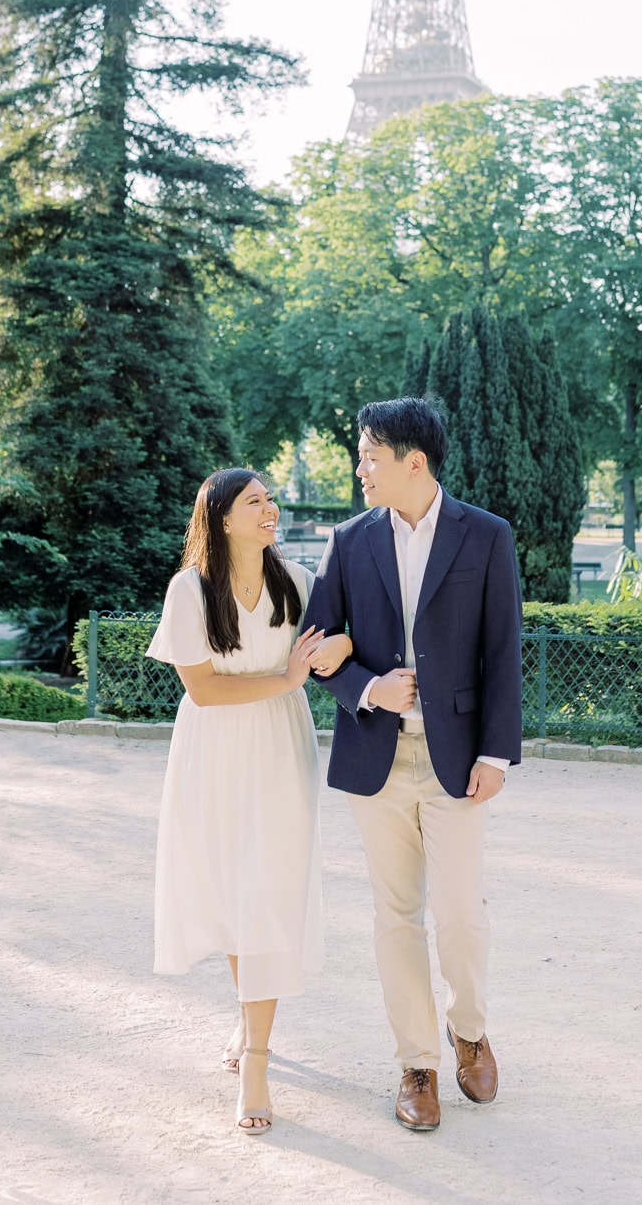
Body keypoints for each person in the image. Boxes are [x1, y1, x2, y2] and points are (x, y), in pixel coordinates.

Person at [306, 397, 523, 1132]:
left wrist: (497, 752)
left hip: (458, 759)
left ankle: (470, 1028)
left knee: (459, 912)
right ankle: (418, 1064)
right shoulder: (347, 539)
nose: (360, 467)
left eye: (370, 455)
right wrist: (367, 686)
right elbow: (316, 645)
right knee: (394, 915)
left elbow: (503, 651)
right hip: (376, 757)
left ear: (414, 462)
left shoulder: (486, 536)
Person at [146, 467, 352, 1134]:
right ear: (223, 517)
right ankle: (247, 1017)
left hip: (279, 750)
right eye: (255, 500)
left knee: (266, 892)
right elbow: (203, 690)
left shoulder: (296, 584)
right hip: (212, 752)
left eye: (270, 497)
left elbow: (346, 639)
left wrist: (327, 655)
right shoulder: (188, 591)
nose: (271, 507)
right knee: (234, 893)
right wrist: (284, 676)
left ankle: (257, 1060)